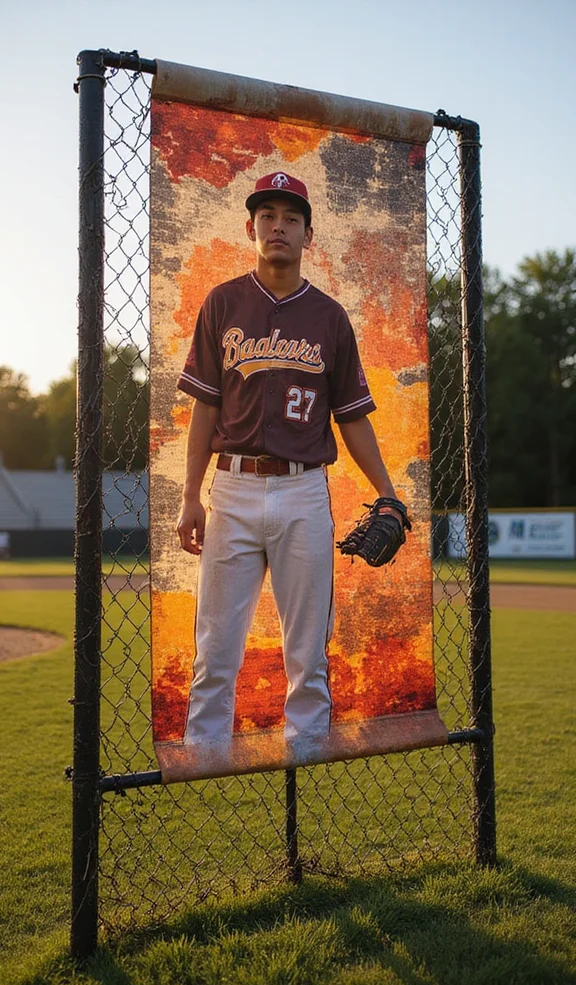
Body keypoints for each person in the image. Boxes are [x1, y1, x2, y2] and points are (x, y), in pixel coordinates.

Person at [176, 171, 403, 755]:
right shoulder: (223, 303)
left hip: (304, 493)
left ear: (309, 236)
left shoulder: (329, 317)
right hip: (232, 487)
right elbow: (204, 410)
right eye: (268, 215)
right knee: (216, 645)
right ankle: (204, 759)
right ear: (250, 228)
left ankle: (307, 756)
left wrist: (387, 491)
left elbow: (352, 416)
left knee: (307, 649)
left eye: (292, 218)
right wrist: (189, 496)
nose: (279, 226)